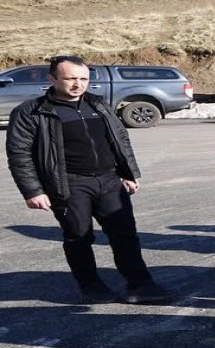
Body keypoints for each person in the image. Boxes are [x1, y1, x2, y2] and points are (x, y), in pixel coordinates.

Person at [5, 56, 170, 304]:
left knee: (124, 234)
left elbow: (120, 139)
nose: (77, 84)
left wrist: (128, 173)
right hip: (69, 184)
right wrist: (33, 191)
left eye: (83, 79)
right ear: (52, 79)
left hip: (110, 181)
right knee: (79, 236)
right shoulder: (32, 112)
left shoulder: (98, 104)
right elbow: (19, 154)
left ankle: (140, 283)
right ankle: (90, 285)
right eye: (70, 78)